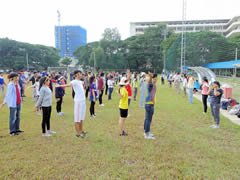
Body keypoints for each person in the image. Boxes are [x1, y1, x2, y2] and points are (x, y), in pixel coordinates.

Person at [58, 70, 87, 138]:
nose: (81, 75)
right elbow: (68, 85)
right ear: (76, 75)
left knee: (81, 118)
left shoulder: (80, 82)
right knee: (77, 118)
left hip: (83, 101)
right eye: (80, 74)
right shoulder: (74, 81)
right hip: (78, 102)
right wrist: (60, 85)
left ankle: (81, 130)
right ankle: (78, 133)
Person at [144, 73, 158, 140]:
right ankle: (147, 134)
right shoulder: (151, 85)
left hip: (148, 103)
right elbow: (149, 81)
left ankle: (146, 131)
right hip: (149, 104)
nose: (155, 79)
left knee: (147, 119)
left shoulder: (151, 85)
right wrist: (150, 76)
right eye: (154, 78)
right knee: (148, 119)